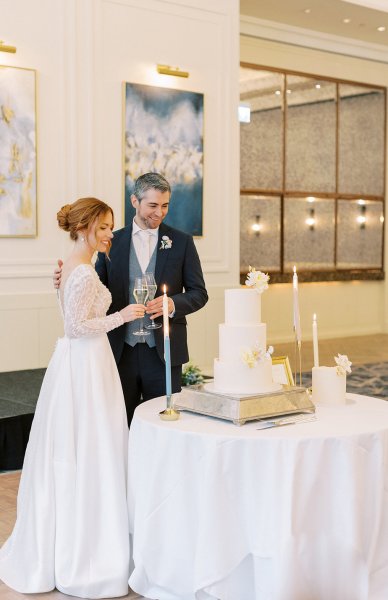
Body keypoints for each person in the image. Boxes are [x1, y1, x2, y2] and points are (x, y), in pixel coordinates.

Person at [0, 198, 144, 597]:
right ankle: (84, 549)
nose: (109, 234)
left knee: (88, 446)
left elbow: (68, 314)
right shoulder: (80, 271)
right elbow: (78, 326)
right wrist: (125, 315)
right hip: (84, 362)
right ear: (83, 229)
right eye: (102, 228)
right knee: (88, 446)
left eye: (110, 227)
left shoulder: (77, 264)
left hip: (84, 361)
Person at [55, 172, 208, 425]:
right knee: (119, 424)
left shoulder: (182, 242)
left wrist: (172, 304)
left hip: (163, 353)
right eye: (152, 205)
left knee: (164, 423)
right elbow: (93, 286)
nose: (159, 213)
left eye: (165, 206)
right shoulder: (111, 241)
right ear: (134, 201)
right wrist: (65, 280)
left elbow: (199, 293)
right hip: (118, 351)